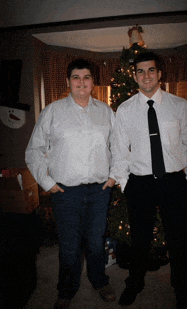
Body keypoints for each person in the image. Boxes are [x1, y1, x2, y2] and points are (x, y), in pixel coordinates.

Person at [112, 51, 187, 309]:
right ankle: (135, 283)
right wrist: (125, 183)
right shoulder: (125, 110)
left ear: (160, 73)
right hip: (140, 184)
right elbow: (119, 151)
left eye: (151, 70)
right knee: (140, 241)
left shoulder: (179, 105)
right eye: (140, 71)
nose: (146, 76)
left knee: (177, 241)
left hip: (174, 183)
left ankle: (182, 290)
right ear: (135, 76)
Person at [25, 58, 117, 309]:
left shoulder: (105, 112)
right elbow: (34, 151)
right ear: (68, 81)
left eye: (86, 77)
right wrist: (48, 183)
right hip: (65, 192)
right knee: (69, 246)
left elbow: (118, 147)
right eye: (76, 77)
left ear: (93, 82)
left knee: (96, 242)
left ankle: (99, 281)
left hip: (99, 191)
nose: (81, 82)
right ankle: (66, 290)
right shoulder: (53, 111)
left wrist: (113, 176)